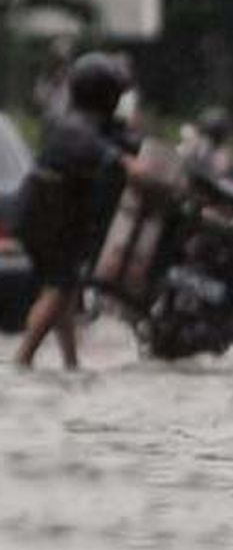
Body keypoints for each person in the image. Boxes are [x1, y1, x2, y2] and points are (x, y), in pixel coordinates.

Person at [14, 53, 143, 369]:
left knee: (67, 289)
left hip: (52, 220)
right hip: (47, 222)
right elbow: (124, 164)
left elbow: (127, 144)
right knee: (59, 287)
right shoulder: (75, 129)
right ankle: (23, 358)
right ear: (105, 95)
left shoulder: (83, 122)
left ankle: (70, 362)